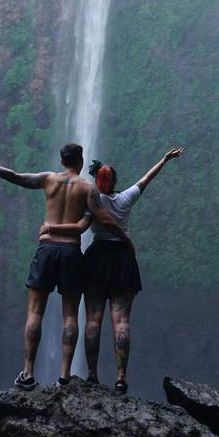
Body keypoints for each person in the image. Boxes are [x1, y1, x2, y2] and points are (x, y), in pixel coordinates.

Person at [0, 143, 132, 388]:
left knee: (35, 313)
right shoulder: (88, 188)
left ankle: (28, 373)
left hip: (46, 249)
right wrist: (125, 237)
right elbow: (104, 219)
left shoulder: (48, 179)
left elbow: (15, 177)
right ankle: (64, 376)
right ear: (81, 160)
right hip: (71, 253)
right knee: (70, 316)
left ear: (62, 160)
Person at [40, 146, 184, 395]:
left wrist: (50, 229)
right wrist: (164, 160)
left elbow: (81, 224)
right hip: (123, 259)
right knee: (122, 322)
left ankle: (92, 375)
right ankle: (120, 378)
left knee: (93, 320)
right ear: (115, 181)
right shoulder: (126, 198)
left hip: (97, 259)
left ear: (96, 181)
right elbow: (146, 179)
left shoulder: (92, 198)